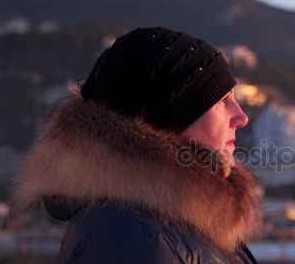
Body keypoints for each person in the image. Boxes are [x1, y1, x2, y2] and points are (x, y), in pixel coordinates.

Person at [16, 27, 262, 263]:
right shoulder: (129, 235)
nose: (241, 117)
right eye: (222, 100)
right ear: (166, 117)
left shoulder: (179, 221)